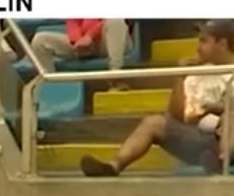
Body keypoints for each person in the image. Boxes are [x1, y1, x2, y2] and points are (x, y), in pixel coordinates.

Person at [81, 20, 234, 177]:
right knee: (154, 122)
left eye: (204, 41)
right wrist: (180, 76)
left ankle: (222, 161)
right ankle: (113, 167)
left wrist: (219, 109)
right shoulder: (197, 73)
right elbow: (177, 115)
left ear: (222, 44)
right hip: (202, 138)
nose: (198, 48)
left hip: (227, 136)